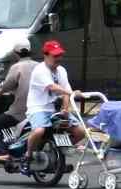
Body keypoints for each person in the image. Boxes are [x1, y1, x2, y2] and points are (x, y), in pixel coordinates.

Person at [22, 40, 85, 172]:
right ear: (46, 55)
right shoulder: (40, 70)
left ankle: (56, 152)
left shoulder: (61, 70)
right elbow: (53, 87)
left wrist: (65, 109)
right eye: (55, 56)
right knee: (39, 131)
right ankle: (28, 156)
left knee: (80, 131)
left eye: (60, 55)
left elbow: (65, 91)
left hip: (54, 110)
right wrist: (72, 93)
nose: (58, 59)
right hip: (38, 108)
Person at [0, 40, 38, 165]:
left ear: (15, 53)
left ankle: (3, 154)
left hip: (21, 111)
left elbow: (4, 87)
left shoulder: (16, 67)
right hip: (38, 109)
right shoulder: (39, 66)